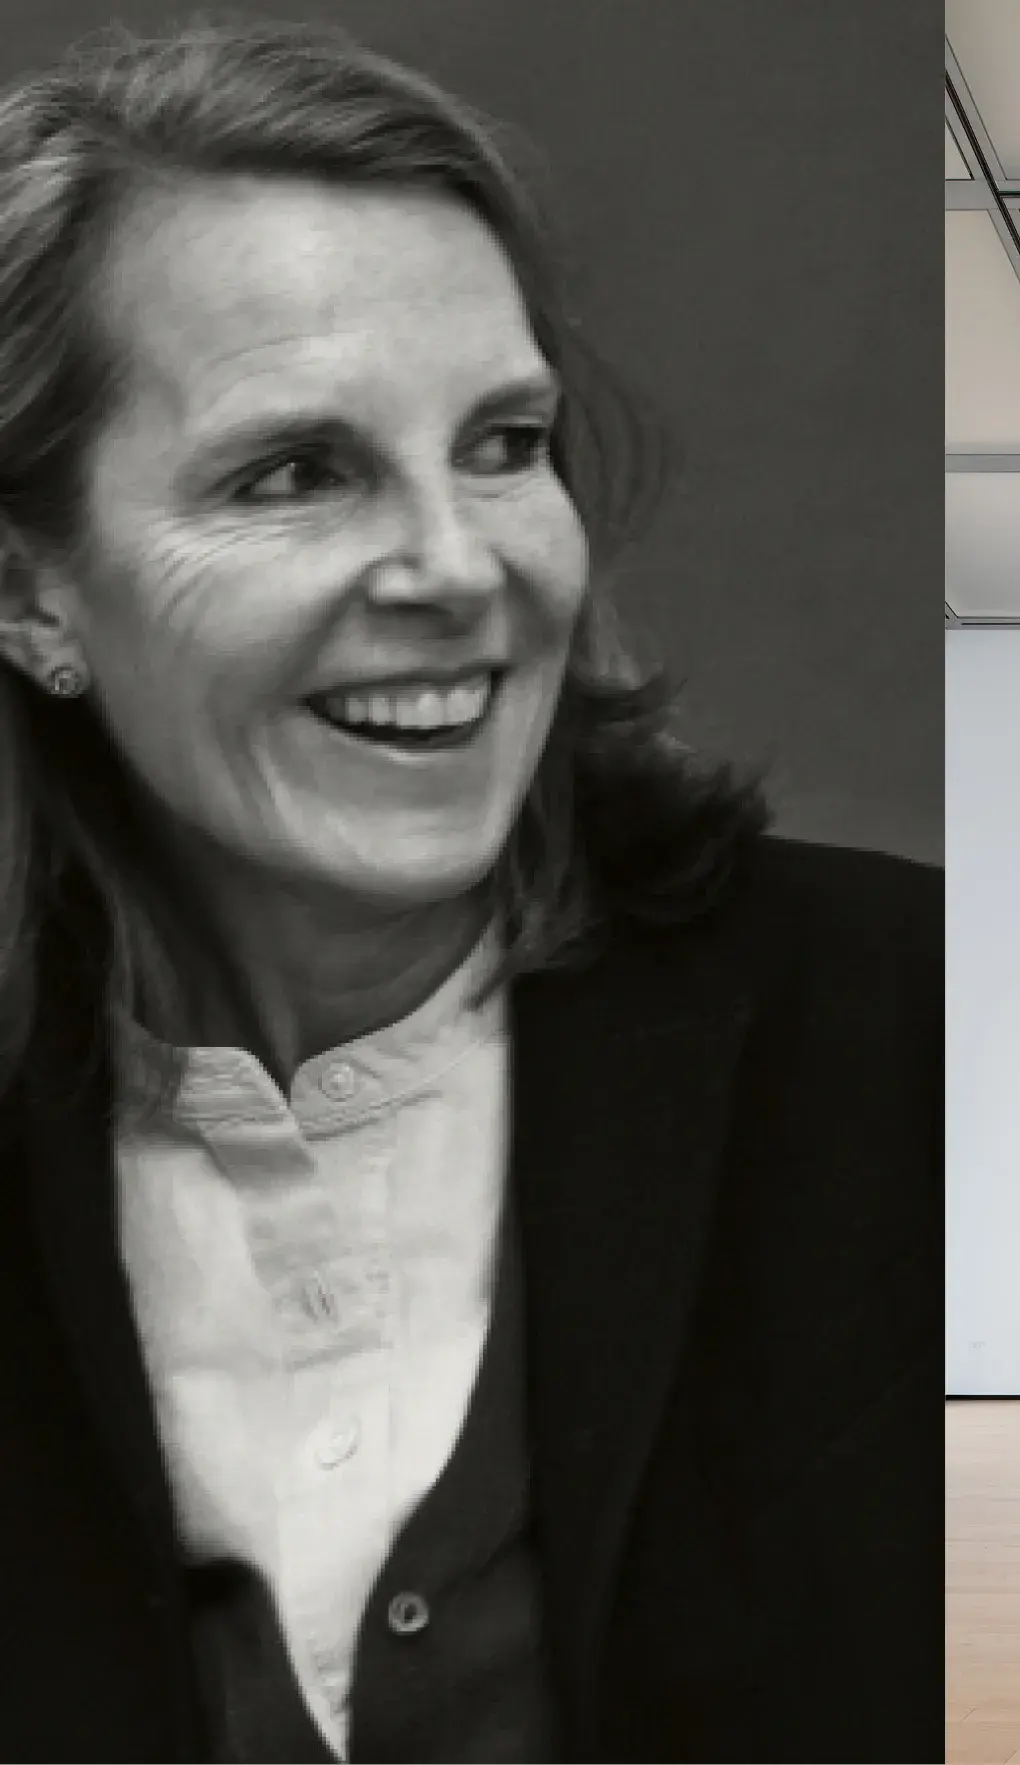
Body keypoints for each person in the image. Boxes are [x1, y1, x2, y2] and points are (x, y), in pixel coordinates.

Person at [0, 23, 939, 1760]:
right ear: (30, 592)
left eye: (505, 444)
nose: (458, 567)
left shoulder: (904, 1024)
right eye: (295, 471)